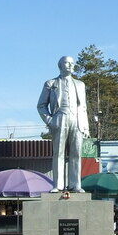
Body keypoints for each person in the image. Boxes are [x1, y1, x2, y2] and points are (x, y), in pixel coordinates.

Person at [36, 55, 90, 192]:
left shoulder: (80, 84)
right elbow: (41, 105)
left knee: (76, 153)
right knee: (58, 153)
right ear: (60, 65)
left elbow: (83, 107)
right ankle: (58, 185)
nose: (71, 65)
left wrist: (85, 127)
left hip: (77, 120)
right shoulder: (51, 83)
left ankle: (75, 184)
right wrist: (50, 120)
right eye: (67, 63)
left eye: (72, 63)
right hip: (60, 118)